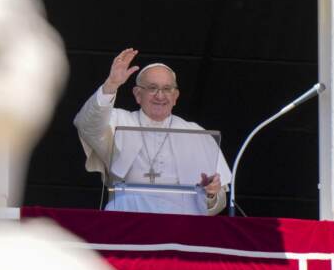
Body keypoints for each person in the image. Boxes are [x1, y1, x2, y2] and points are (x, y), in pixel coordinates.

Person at [74, 48, 231, 215]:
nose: (160, 96)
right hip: (127, 216)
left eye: (167, 89)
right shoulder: (119, 121)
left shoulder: (197, 133)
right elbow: (88, 125)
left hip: (180, 222)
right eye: (152, 88)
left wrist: (211, 194)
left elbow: (217, 202)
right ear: (137, 94)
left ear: (176, 96)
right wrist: (111, 84)